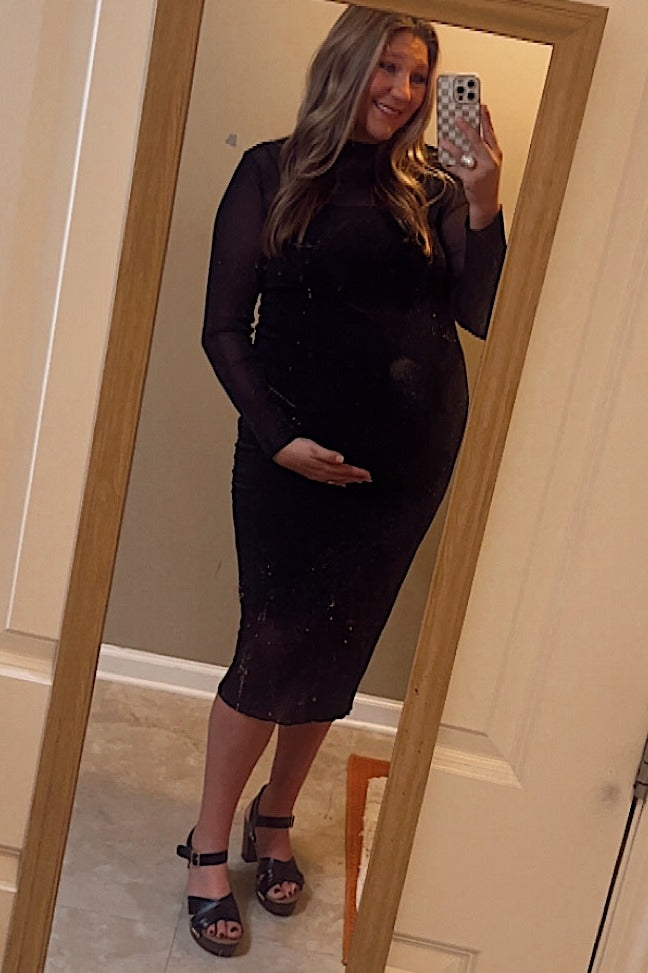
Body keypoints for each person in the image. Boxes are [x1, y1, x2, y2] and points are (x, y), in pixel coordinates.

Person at [176, 6, 505, 958]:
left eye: (420, 76)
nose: (402, 92)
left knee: (338, 650)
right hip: (289, 465)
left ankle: (275, 817)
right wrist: (279, 439)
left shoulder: (433, 188)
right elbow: (222, 327)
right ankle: (207, 843)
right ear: (346, 66)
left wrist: (485, 202)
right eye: (387, 69)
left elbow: (479, 309)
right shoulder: (269, 172)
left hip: (405, 468)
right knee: (270, 646)